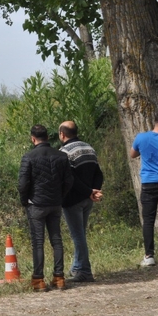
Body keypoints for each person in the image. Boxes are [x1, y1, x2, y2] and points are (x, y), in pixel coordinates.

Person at [18, 125, 74, 291]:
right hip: (55, 203)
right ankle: (59, 277)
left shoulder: (28, 157)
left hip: (36, 204)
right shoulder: (61, 156)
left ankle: (38, 279)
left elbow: (23, 184)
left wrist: (25, 201)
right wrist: (60, 196)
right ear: (48, 137)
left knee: (38, 242)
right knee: (56, 240)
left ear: (33, 139)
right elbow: (69, 181)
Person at [59, 121, 104, 282]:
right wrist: (95, 190)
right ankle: (77, 267)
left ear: (62, 134)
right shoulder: (88, 148)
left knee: (78, 236)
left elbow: (70, 179)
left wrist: (88, 191)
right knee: (81, 234)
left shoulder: (64, 152)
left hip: (73, 200)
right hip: (87, 199)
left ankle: (85, 271)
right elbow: (99, 173)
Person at [130, 110, 158, 267]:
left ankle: (149, 255)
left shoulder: (141, 137)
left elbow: (133, 154)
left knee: (148, 220)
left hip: (148, 183)